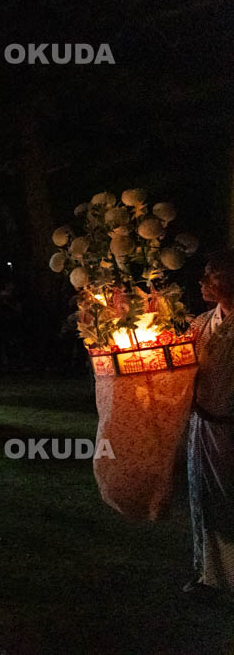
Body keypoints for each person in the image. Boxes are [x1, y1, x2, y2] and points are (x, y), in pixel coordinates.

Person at [184, 249, 234, 599]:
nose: (203, 281)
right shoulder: (200, 324)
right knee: (204, 498)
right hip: (203, 428)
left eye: (213, 273)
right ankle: (211, 575)